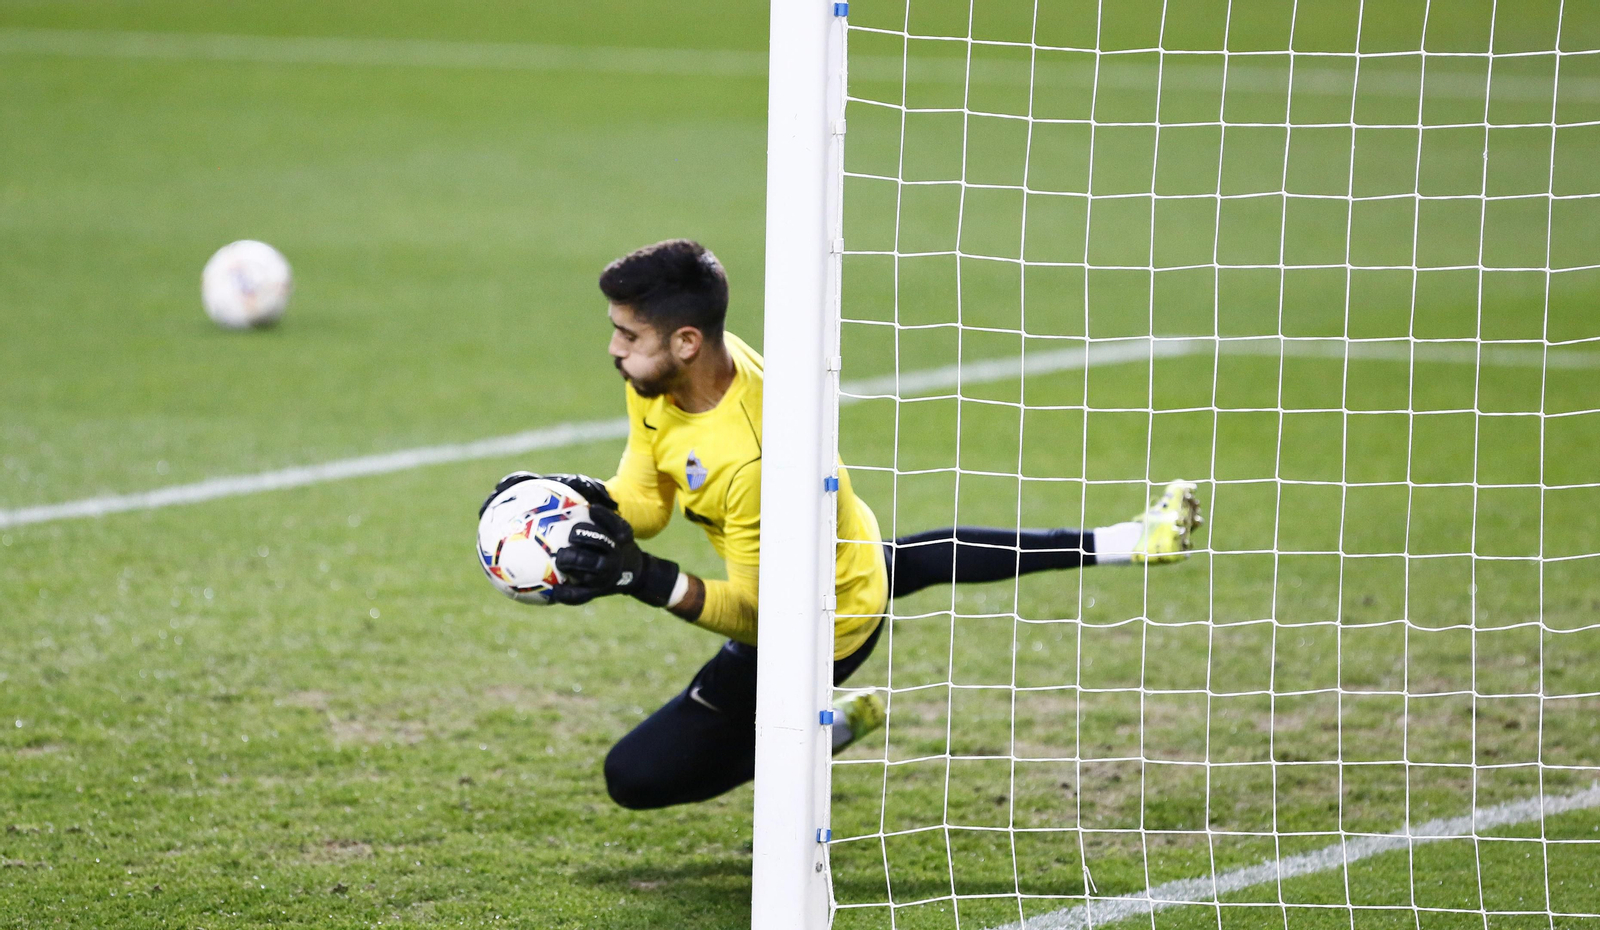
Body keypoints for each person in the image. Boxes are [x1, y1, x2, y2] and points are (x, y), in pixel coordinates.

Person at [483, 239, 1202, 810]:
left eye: (627, 333)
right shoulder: (664, 380)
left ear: (687, 341)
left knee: (634, 777)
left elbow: (764, 619)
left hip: (823, 625)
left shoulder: (752, 457)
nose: (614, 347)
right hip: (847, 545)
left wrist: (646, 580)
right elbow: (649, 499)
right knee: (918, 558)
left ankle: (813, 735)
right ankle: (1132, 540)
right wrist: (583, 502)